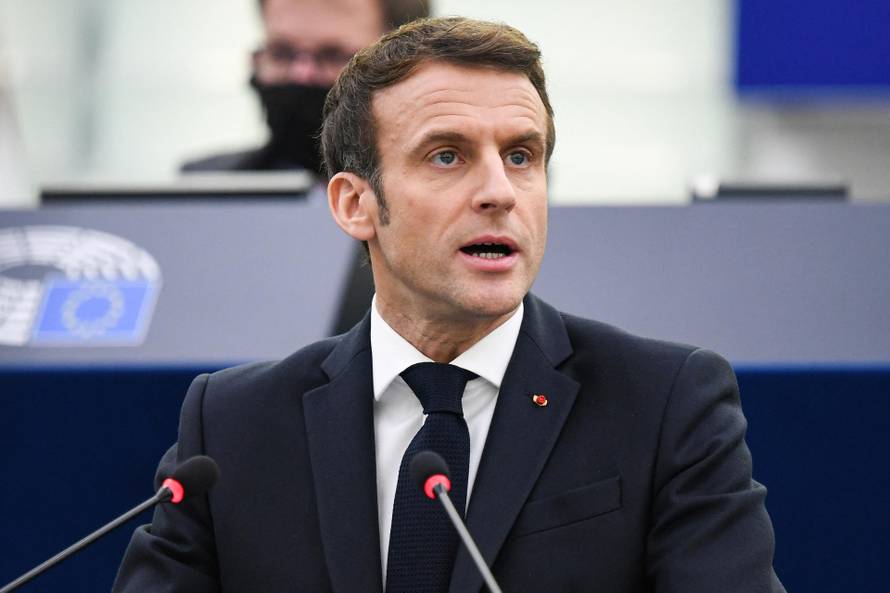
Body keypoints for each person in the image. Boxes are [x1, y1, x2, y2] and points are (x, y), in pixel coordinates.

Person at [114, 17, 785, 593]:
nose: (499, 191)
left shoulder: (664, 404)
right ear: (356, 204)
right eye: (447, 156)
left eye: (522, 156)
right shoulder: (234, 425)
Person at [180, 0, 430, 176]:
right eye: (282, 53)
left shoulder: (449, 197)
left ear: (404, 63)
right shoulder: (204, 193)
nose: (301, 75)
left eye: (333, 55)